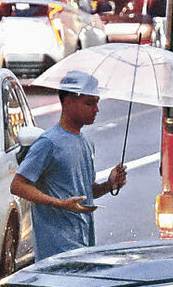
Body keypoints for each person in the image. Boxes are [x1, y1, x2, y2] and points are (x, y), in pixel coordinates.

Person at [10, 72, 127, 261]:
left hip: (84, 244)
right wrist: (60, 204)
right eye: (89, 103)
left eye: (97, 103)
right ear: (68, 102)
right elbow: (18, 185)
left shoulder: (87, 142)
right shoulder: (48, 143)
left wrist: (109, 185)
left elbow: (84, 191)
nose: (96, 109)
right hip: (56, 251)